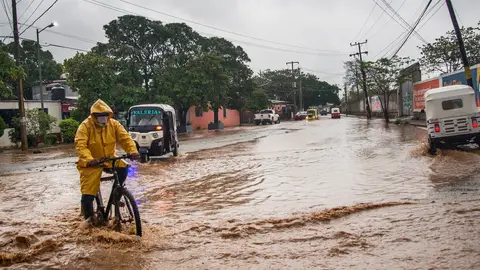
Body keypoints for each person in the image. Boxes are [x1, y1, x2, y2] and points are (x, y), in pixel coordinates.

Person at [74, 99, 140, 224]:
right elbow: (80, 145)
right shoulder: (85, 126)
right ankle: (89, 222)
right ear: (94, 116)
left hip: (109, 159)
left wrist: (133, 151)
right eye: (100, 116)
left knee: (124, 167)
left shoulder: (114, 124)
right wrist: (89, 159)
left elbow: (125, 138)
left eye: (105, 115)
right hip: (91, 163)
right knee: (88, 195)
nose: (103, 118)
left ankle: (117, 195)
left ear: (109, 115)